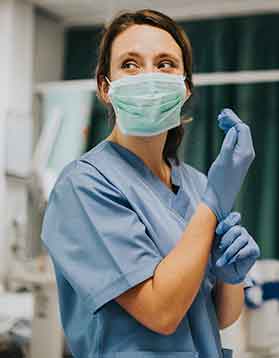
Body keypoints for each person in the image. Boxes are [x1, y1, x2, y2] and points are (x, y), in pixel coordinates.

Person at [41, 9, 260, 358]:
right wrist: (214, 203)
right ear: (104, 87)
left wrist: (231, 277)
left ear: (185, 87)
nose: (148, 76)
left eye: (165, 64)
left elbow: (217, 317)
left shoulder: (196, 184)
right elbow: (161, 312)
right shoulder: (84, 186)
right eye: (130, 64)